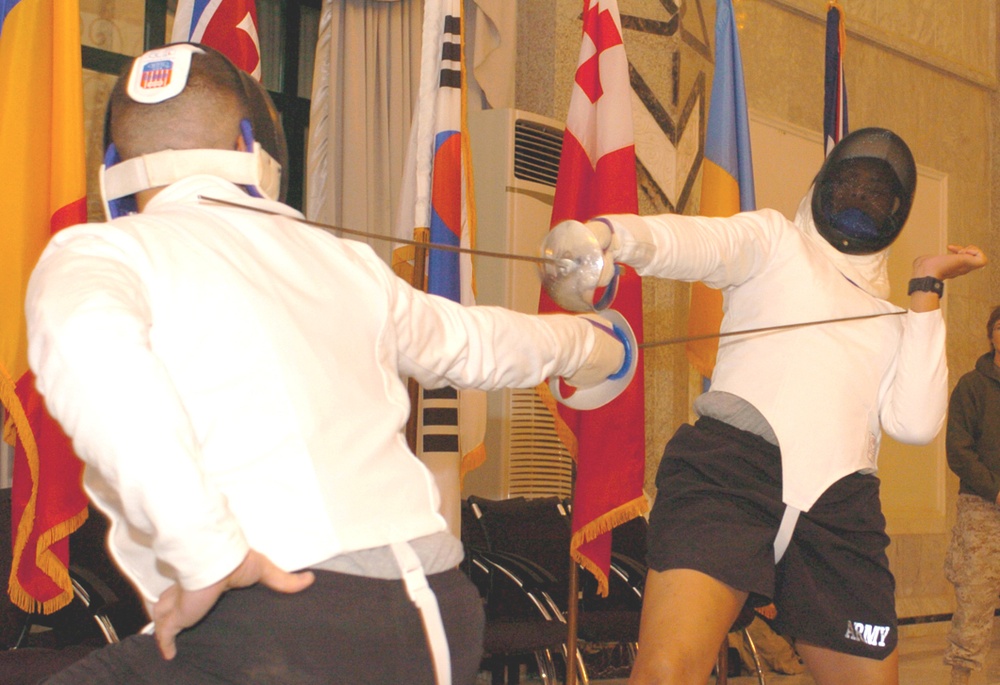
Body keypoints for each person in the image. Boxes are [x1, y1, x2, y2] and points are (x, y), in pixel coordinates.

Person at [25, 43, 626, 685]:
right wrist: (597, 346)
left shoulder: (100, 251)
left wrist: (206, 553)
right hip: (441, 616)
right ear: (250, 142)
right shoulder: (346, 262)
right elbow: (474, 342)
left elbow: (96, 361)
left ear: (112, 168)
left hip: (277, 625)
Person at [542, 127, 988, 685]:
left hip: (840, 512)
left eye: (877, 194)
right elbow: (696, 242)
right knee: (666, 671)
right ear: (824, 184)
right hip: (728, 476)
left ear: (895, 211)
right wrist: (610, 236)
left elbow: (917, 424)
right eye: (851, 184)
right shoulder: (775, 239)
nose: (860, 200)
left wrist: (925, 290)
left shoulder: (893, 319)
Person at [943, 305, 1000, 685]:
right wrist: (995, 490)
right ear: (991, 334)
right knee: (975, 607)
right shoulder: (972, 386)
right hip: (983, 511)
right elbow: (958, 450)